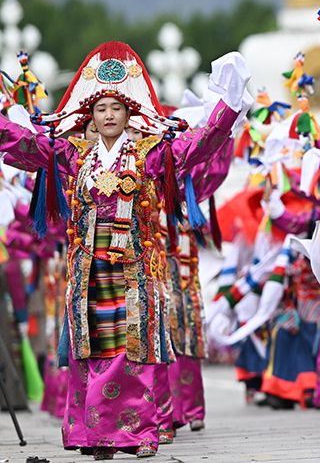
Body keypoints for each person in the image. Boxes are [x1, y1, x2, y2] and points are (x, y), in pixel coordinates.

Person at [0, 43, 249, 459]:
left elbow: (200, 144)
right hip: (89, 273)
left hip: (134, 271)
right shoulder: (73, 155)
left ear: (130, 113)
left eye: (117, 107)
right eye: (101, 109)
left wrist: (230, 104)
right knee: (94, 348)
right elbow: (25, 143)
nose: (109, 115)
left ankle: (138, 432)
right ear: (90, 117)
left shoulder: (151, 155)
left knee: (134, 350)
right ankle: (95, 434)